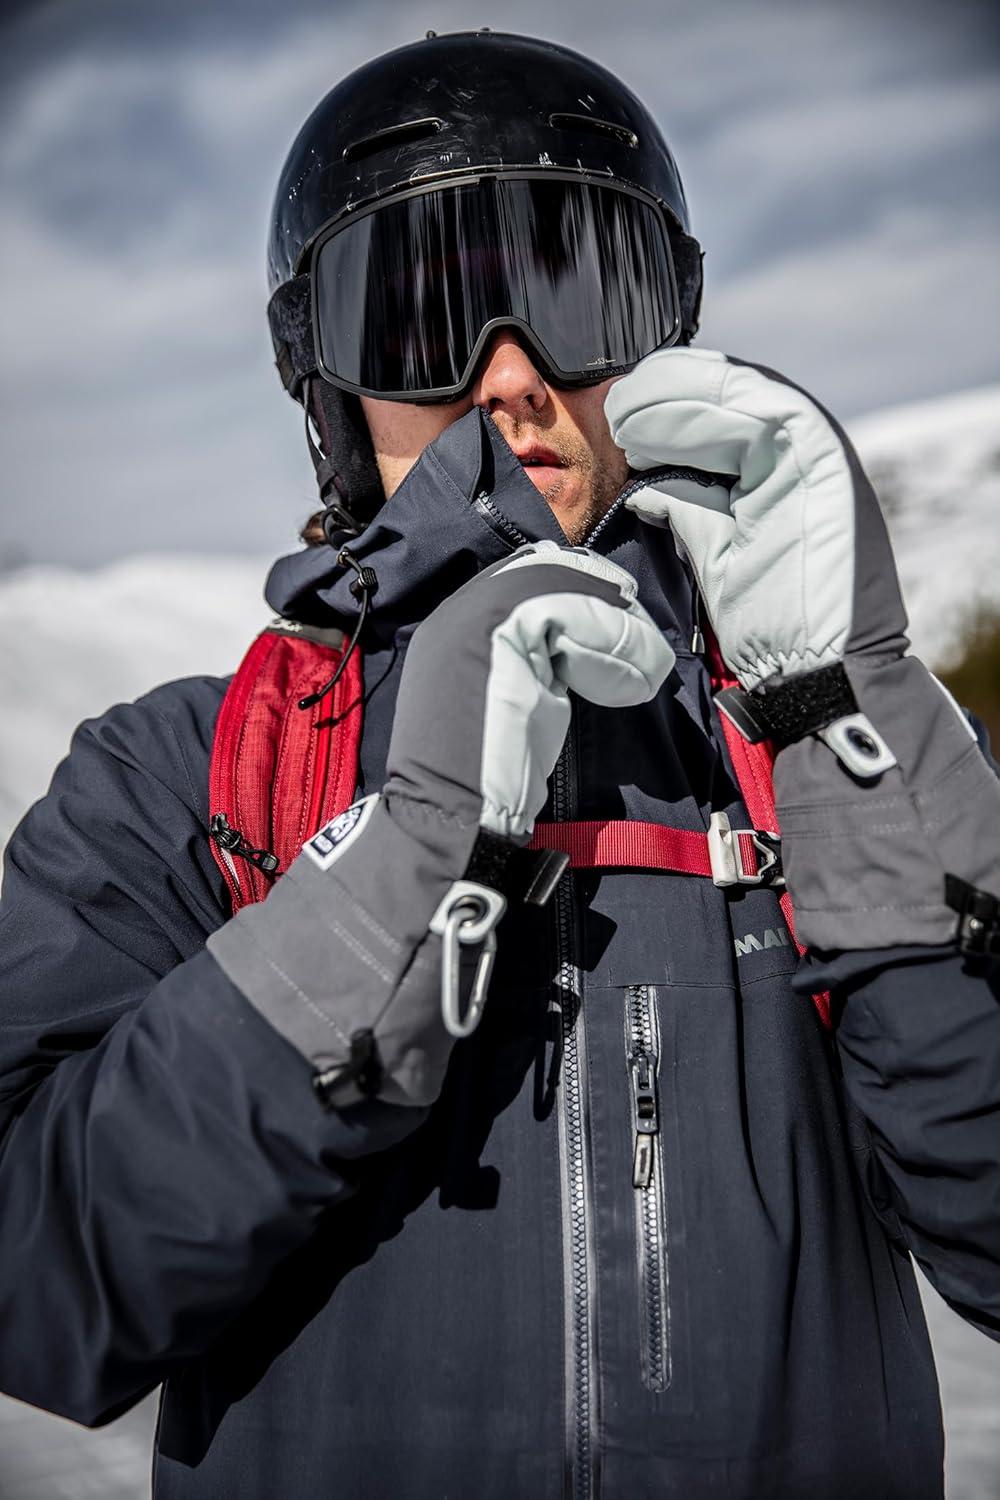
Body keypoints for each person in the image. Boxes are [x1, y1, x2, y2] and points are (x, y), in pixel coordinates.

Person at [1, 29, 998, 1500]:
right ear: (329, 385)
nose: (513, 379)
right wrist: (399, 868)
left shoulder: (803, 753)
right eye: (425, 317)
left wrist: (838, 725)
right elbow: (38, 1280)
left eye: (575, 294)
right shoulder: (186, 775)